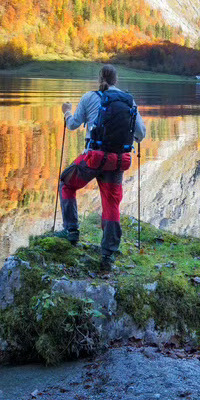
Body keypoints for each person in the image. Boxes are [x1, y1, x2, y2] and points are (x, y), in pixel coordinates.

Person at [54, 64, 146, 272]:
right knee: (111, 203)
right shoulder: (129, 101)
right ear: (116, 80)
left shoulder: (89, 97)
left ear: (99, 79)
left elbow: (72, 125)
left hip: (93, 158)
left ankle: (71, 231)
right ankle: (108, 253)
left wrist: (67, 112)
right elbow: (141, 134)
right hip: (118, 161)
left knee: (66, 183)